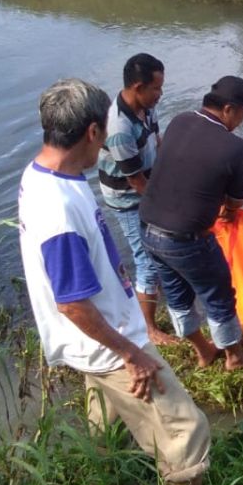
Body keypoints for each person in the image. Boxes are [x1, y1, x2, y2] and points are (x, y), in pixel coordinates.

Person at [18, 78, 241, 485]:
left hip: (90, 343)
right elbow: (73, 303)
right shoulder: (58, 208)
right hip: (107, 343)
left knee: (106, 422)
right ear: (94, 133)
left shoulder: (41, 174)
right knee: (187, 428)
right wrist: (132, 352)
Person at [140, 76, 243, 371]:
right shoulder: (234, 146)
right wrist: (226, 210)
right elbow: (237, 199)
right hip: (186, 237)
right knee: (217, 293)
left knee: (176, 294)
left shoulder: (180, 121)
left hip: (147, 226)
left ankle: (203, 351)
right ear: (228, 109)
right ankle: (235, 356)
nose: (242, 120)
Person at [96, 53, 175, 345]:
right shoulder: (119, 128)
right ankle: (150, 329)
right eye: (156, 88)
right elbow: (136, 181)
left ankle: (154, 294)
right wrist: (167, 204)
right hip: (128, 198)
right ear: (138, 87)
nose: (160, 94)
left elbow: (158, 141)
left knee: (161, 246)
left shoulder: (145, 108)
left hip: (147, 183)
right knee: (146, 260)